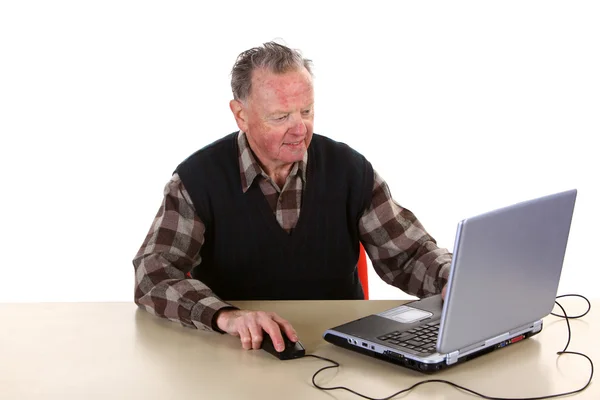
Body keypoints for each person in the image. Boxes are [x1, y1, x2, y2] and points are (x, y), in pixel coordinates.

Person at [133, 41, 452, 354]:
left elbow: (409, 255)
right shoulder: (197, 180)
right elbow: (153, 274)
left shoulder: (349, 170)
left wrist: (452, 278)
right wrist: (225, 316)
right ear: (241, 115)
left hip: (340, 350)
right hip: (239, 350)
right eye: (281, 116)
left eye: (307, 111)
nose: (300, 129)